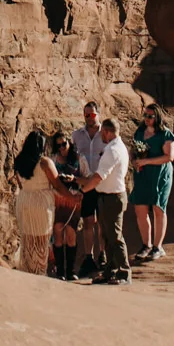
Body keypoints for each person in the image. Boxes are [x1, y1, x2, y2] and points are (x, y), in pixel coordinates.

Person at [80, 112, 131, 283]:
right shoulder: (118, 147)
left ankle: (124, 273)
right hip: (107, 196)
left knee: (115, 236)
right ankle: (111, 270)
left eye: (103, 132)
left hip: (113, 197)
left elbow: (99, 177)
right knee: (108, 236)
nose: (101, 135)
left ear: (108, 132)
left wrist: (84, 191)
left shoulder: (113, 150)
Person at [12, 128, 66, 274]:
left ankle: (28, 271)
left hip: (24, 201)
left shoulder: (19, 161)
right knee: (41, 243)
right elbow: (58, 185)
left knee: (28, 241)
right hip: (41, 205)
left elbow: (21, 184)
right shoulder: (45, 162)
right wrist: (72, 197)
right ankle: (39, 272)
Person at [130, 104, 174, 261]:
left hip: (160, 175)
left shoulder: (165, 134)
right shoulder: (140, 132)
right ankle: (146, 245)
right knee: (140, 209)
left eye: (150, 116)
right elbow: (133, 149)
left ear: (157, 117)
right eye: (145, 115)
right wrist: (135, 160)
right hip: (143, 174)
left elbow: (169, 157)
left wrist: (146, 161)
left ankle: (158, 247)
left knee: (158, 208)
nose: (147, 119)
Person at [70, 101, 105, 276]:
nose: (89, 118)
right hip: (86, 184)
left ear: (98, 114)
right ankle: (88, 257)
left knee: (103, 222)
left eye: (91, 114)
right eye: (86, 115)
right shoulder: (77, 135)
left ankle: (103, 256)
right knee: (88, 221)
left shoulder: (105, 134)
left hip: (103, 183)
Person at [47, 131, 83, 277]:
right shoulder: (53, 160)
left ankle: (71, 270)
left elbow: (86, 176)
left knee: (71, 233)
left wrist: (75, 180)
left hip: (74, 199)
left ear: (69, 142)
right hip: (57, 199)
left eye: (64, 144)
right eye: (59, 146)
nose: (62, 148)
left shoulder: (79, 159)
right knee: (58, 231)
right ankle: (60, 270)